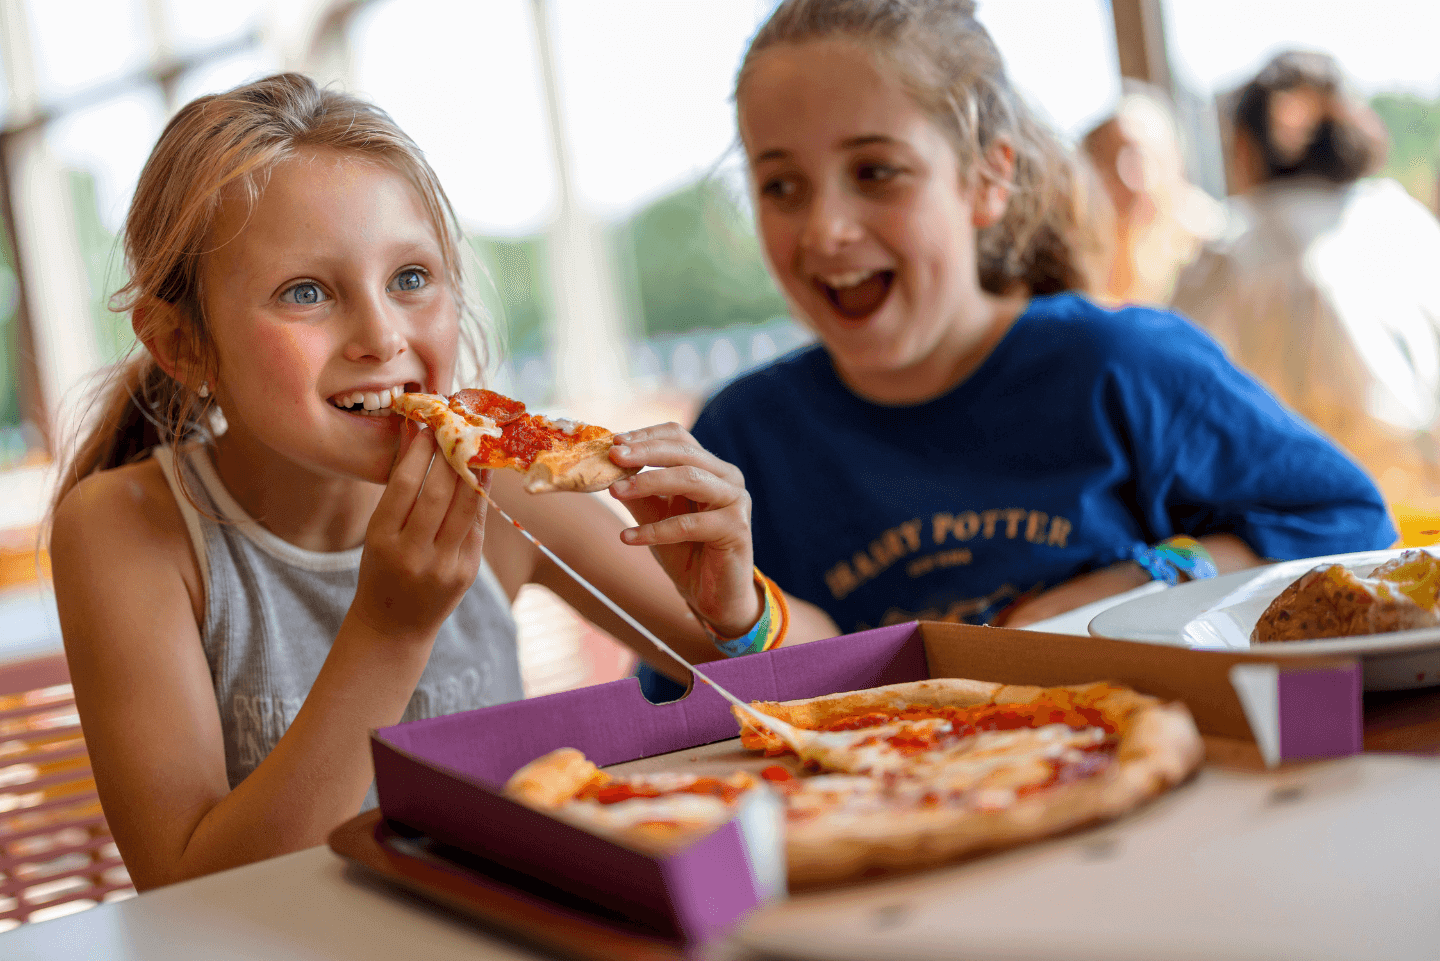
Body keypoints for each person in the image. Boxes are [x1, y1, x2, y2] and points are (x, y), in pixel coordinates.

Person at [46, 74, 833, 891]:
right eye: (306, 292)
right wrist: (388, 632)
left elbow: (832, 686)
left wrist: (738, 606)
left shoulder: (503, 488)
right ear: (183, 346)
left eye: (411, 278)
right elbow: (189, 892)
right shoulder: (128, 529)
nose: (382, 335)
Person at [639, 0, 1395, 702]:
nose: (824, 229)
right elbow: (723, 699)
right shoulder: (742, 436)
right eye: (781, 186)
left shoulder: (1121, 363)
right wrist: (735, 617)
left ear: (988, 178)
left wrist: (1148, 573)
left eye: (875, 172)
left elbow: (1350, 523)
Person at [1171, 50, 1440, 517]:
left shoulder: (1234, 246)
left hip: (1317, 522)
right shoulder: (1405, 220)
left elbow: (1174, 389)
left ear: (1246, 147)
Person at [1081, 86, 1224, 306]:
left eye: (1142, 160)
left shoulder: (1215, 253)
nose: (1134, 183)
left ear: (1176, 162)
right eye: (1110, 167)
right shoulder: (1085, 276)